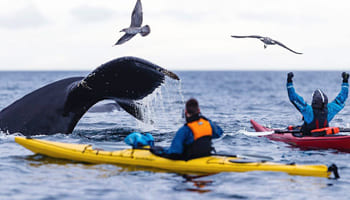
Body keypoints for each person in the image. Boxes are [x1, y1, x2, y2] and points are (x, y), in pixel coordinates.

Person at [152, 98, 223, 160]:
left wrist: (159, 151)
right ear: (199, 110)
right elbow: (219, 133)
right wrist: (205, 119)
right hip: (205, 155)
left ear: (185, 112)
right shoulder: (209, 124)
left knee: (158, 149)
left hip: (190, 158)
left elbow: (175, 153)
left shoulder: (184, 130)